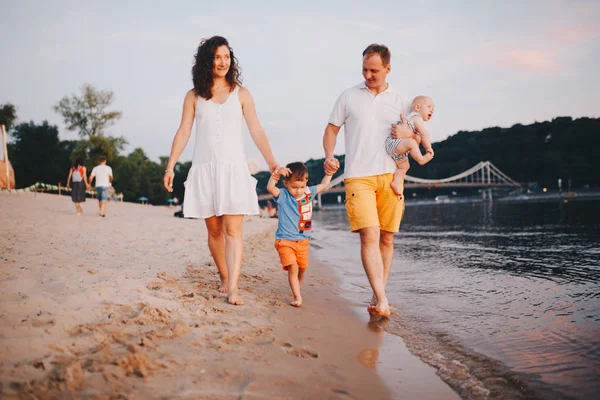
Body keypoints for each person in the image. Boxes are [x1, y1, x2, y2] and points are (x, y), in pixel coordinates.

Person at [163, 36, 279, 306]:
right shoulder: (194, 96)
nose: (223, 62)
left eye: (227, 57)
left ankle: (234, 288)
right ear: (207, 60)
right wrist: (170, 165)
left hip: (233, 170)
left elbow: (256, 130)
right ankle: (225, 276)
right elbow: (183, 132)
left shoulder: (242, 94)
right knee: (214, 231)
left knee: (233, 231)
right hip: (204, 170)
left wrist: (271, 161)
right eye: (217, 57)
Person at [323, 43, 415, 318]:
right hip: (358, 177)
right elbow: (331, 130)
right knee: (369, 234)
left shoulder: (402, 101)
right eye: (364, 69)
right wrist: (329, 154)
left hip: (390, 176)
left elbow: (416, 138)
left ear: (388, 69)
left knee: (387, 239)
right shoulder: (348, 96)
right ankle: (384, 299)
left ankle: (378, 294)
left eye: (374, 70)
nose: (368, 75)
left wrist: (407, 133)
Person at [267, 162, 336, 307]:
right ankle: (297, 296)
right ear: (286, 184)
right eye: (294, 187)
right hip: (285, 240)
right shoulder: (283, 195)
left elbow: (323, 185)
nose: (298, 191)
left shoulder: (309, 192)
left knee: (302, 268)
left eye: (301, 187)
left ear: (306, 183)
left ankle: (295, 285)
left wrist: (329, 174)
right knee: (293, 267)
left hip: (303, 241)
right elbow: (270, 187)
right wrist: (278, 173)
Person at [385, 95, 435, 195]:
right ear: (417, 108)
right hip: (395, 143)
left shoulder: (414, 118)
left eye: (433, 109)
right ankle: (421, 159)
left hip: (398, 150)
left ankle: (396, 183)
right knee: (412, 143)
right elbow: (424, 133)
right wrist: (428, 148)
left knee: (404, 166)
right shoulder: (416, 117)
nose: (432, 111)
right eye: (429, 107)